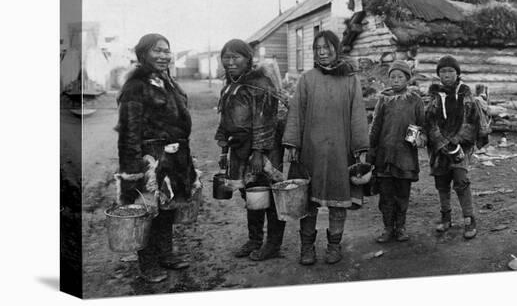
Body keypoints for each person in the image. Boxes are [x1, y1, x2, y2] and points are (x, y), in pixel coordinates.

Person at [116, 33, 198, 283]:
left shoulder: (167, 81)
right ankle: (147, 262)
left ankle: (165, 254)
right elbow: (129, 132)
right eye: (157, 51)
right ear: (143, 54)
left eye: (166, 50)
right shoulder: (135, 86)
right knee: (148, 209)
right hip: (150, 160)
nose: (164, 56)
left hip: (173, 158)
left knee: (167, 208)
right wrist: (133, 171)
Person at [283, 30, 369, 265]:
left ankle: (334, 246)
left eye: (327, 47)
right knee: (308, 201)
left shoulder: (350, 80)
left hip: (340, 150)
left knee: (338, 199)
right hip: (310, 150)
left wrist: (360, 147)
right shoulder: (307, 79)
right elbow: (296, 113)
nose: (322, 52)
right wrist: (293, 143)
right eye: (317, 48)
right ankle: (307, 248)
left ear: (336, 48)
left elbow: (358, 115)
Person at [215, 39, 286, 261]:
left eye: (236, 56)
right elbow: (225, 119)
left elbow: (265, 119)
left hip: (263, 151)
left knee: (269, 196)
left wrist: (258, 152)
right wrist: (224, 150)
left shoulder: (260, 84)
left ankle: (272, 245)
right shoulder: (230, 84)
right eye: (226, 57)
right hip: (239, 149)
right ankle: (254, 239)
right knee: (251, 196)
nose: (230, 61)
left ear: (248, 59)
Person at [368, 60, 426, 243]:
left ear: (407, 79)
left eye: (400, 77)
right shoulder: (383, 99)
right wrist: (371, 149)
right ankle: (387, 228)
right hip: (384, 156)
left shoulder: (415, 100)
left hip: (405, 157)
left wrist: (418, 138)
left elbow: (421, 124)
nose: (396, 80)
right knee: (386, 195)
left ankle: (400, 227)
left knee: (402, 194)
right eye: (393, 77)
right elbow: (375, 126)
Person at [425, 55, 478, 239]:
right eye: (443, 71)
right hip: (439, 149)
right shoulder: (433, 96)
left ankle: (469, 219)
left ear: (457, 73)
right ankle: (446, 217)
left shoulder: (465, 95)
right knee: (442, 183)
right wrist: (441, 142)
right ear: (438, 74)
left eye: (450, 71)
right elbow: (429, 122)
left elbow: (471, 121)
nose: (447, 74)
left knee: (461, 181)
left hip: (460, 147)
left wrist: (456, 140)